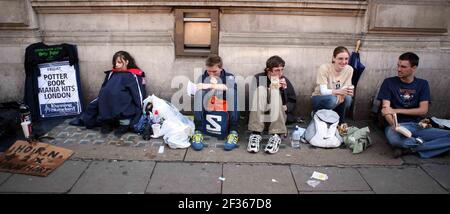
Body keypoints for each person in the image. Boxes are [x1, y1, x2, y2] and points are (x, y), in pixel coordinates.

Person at [377, 52, 450, 158]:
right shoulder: (389, 82)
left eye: (403, 67)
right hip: (396, 125)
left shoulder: (422, 84)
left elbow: (423, 110)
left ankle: (411, 149)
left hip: (418, 125)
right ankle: (431, 147)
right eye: (398, 65)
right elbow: (386, 110)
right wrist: (396, 126)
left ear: (414, 68)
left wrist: (396, 110)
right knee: (395, 141)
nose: (399, 69)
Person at [81, 51, 146, 137]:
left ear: (127, 62)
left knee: (122, 105)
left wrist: (140, 108)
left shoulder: (134, 75)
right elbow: (104, 88)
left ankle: (124, 125)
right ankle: (107, 123)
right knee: (98, 104)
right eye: (115, 62)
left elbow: (138, 94)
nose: (116, 65)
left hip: (123, 103)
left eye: (119, 62)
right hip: (108, 102)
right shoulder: (111, 73)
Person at [247, 55, 296, 154]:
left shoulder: (284, 80)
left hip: (277, 119)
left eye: (282, 70)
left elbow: (293, 101)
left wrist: (285, 106)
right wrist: (272, 87)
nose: (280, 73)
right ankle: (255, 134)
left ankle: (276, 136)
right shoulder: (258, 78)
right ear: (268, 70)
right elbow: (253, 101)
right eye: (277, 70)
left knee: (274, 92)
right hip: (260, 118)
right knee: (261, 90)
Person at [191, 54, 239, 151]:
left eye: (214, 71)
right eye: (209, 71)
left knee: (232, 93)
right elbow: (198, 90)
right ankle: (198, 130)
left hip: (224, 104)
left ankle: (233, 131)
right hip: (209, 104)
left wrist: (210, 85)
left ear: (221, 68)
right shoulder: (203, 76)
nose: (211, 74)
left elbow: (229, 88)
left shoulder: (229, 76)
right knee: (199, 94)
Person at [311, 46, 354, 123]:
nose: (344, 62)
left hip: (337, 97)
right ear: (334, 58)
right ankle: (317, 114)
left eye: (346, 59)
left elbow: (346, 86)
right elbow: (323, 91)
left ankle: (339, 122)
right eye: (340, 58)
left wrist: (343, 93)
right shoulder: (324, 68)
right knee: (332, 100)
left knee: (348, 99)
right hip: (320, 97)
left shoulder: (349, 69)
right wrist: (340, 92)